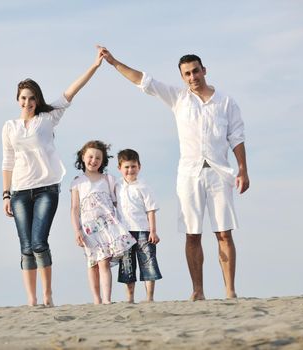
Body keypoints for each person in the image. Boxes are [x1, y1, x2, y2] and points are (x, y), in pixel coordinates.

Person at [99, 46, 250, 300]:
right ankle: (198, 290)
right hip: (189, 175)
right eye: (187, 74)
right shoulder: (178, 97)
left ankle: (230, 290)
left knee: (224, 233)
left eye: (196, 71)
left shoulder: (225, 101)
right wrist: (114, 62)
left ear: (204, 70)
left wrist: (243, 169)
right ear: (182, 77)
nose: (193, 77)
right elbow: (143, 80)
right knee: (193, 234)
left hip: (219, 173)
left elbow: (236, 137)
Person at [2, 49, 103, 307]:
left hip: (47, 188)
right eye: (24, 98)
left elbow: (71, 91)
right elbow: (8, 162)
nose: (28, 102)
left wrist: (94, 65)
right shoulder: (9, 128)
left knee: (38, 241)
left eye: (32, 98)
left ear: (38, 100)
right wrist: (5, 194)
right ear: (17, 99)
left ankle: (47, 296)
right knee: (26, 246)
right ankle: (32, 300)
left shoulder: (48, 117)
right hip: (19, 192)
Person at [70, 140, 136, 304]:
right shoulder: (78, 182)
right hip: (89, 230)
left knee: (104, 262)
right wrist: (77, 230)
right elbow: (74, 209)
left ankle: (107, 299)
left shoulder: (108, 179)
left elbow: (117, 203)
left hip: (108, 227)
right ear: (83, 157)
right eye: (90, 156)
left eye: (98, 158)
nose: (94, 160)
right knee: (92, 264)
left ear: (103, 160)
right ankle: (96, 299)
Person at [115, 149, 162, 303]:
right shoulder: (117, 187)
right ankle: (130, 298)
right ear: (120, 168)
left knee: (148, 262)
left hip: (143, 231)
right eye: (126, 167)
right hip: (124, 232)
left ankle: (149, 297)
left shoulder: (144, 186)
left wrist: (153, 231)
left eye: (133, 166)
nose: (130, 170)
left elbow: (150, 210)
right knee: (127, 265)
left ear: (139, 167)